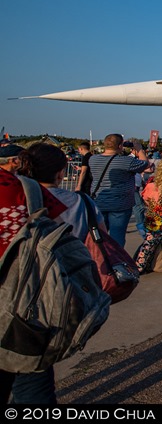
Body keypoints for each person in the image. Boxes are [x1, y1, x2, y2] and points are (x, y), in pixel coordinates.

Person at [0, 141, 69, 404]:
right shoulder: (26, 190)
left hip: (22, 307)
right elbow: (62, 239)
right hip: (25, 306)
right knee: (32, 386)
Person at [89, 134, 150, 247]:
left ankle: (100, 259)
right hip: (120, 204)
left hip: (99, 202)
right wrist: (139, 149)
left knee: (99, 236)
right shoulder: (126, 161)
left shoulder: (93, 159)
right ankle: (116, 262)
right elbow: (145, 164)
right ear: (120, 145)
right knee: (117, 238)